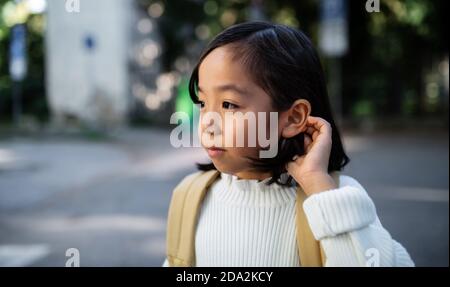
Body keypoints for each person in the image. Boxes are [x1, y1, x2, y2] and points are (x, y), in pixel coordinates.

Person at [163, 21, 414, 267]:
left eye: (229, 104)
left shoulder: (336, 200)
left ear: (293, 117)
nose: (207, 121)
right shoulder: (191, 198)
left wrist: (319, 185)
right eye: (203, 103)